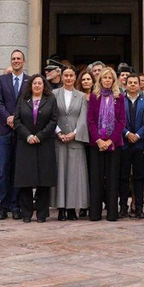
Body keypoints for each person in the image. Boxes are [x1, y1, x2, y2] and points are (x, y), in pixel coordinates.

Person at [13, 72, 58, 222]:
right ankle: (26, 213)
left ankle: (41, 213)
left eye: (40, 83)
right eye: (35, 83)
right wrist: (28, 136)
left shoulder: (50, 99)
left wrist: (39, 136)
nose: (37, 85)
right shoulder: (23, 99)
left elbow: (53, 120)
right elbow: (17, 120)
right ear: (30, 86)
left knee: (43, 180)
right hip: (25, 143)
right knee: (25, 180)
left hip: (44, 143)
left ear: (44, 86)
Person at [85, 65, 126, 222]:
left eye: (110, 78)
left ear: (113, 80)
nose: (107, 80)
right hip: (97, 143)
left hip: (114, 144)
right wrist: (99, 140)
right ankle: (95, 213)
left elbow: (122, 121)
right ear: (100, 79)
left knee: (112, 178)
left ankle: (112, 213)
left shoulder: (119, 97)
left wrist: (110, 140)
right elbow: (90, 120)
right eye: (105, 77)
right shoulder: (94, 97)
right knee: (96, 178)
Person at [0, 50, 27, 221]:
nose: (16, 61)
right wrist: (8, 117)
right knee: (2, 170)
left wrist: (17, 118)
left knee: (18, 170)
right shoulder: (2, 80)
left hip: (21, 131)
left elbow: (29, 103)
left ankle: (16, 205)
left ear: (24, 61)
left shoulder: (29, 81)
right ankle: (3, 206)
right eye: (13, 59)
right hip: (3, 131)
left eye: (18, 59)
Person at [53, 66, 90, 220]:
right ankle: (61, 208)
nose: (68, 78)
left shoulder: (81, 96)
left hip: (76, 140)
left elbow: (83, 118)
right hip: (59, 139)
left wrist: (74, 133)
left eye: (71, 75)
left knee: (75, 175)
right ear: (62, 77)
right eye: (65, 75)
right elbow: (51, 115)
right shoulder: (54, 94)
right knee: (60, 174)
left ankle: (71, 209)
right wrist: (59, 132)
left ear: (75, 78)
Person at [120, 72, 144, 219]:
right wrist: (126, 134)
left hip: (140, 144)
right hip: (124, 143)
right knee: (123, 177)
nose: (132, 85)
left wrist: (138, 135)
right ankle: (123, 207)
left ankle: (138, 208)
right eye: (129, 82)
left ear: (139, 85)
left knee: (139, 178)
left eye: (135, 82)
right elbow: (117, 120)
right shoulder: (119, 100)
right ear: (125, 85)